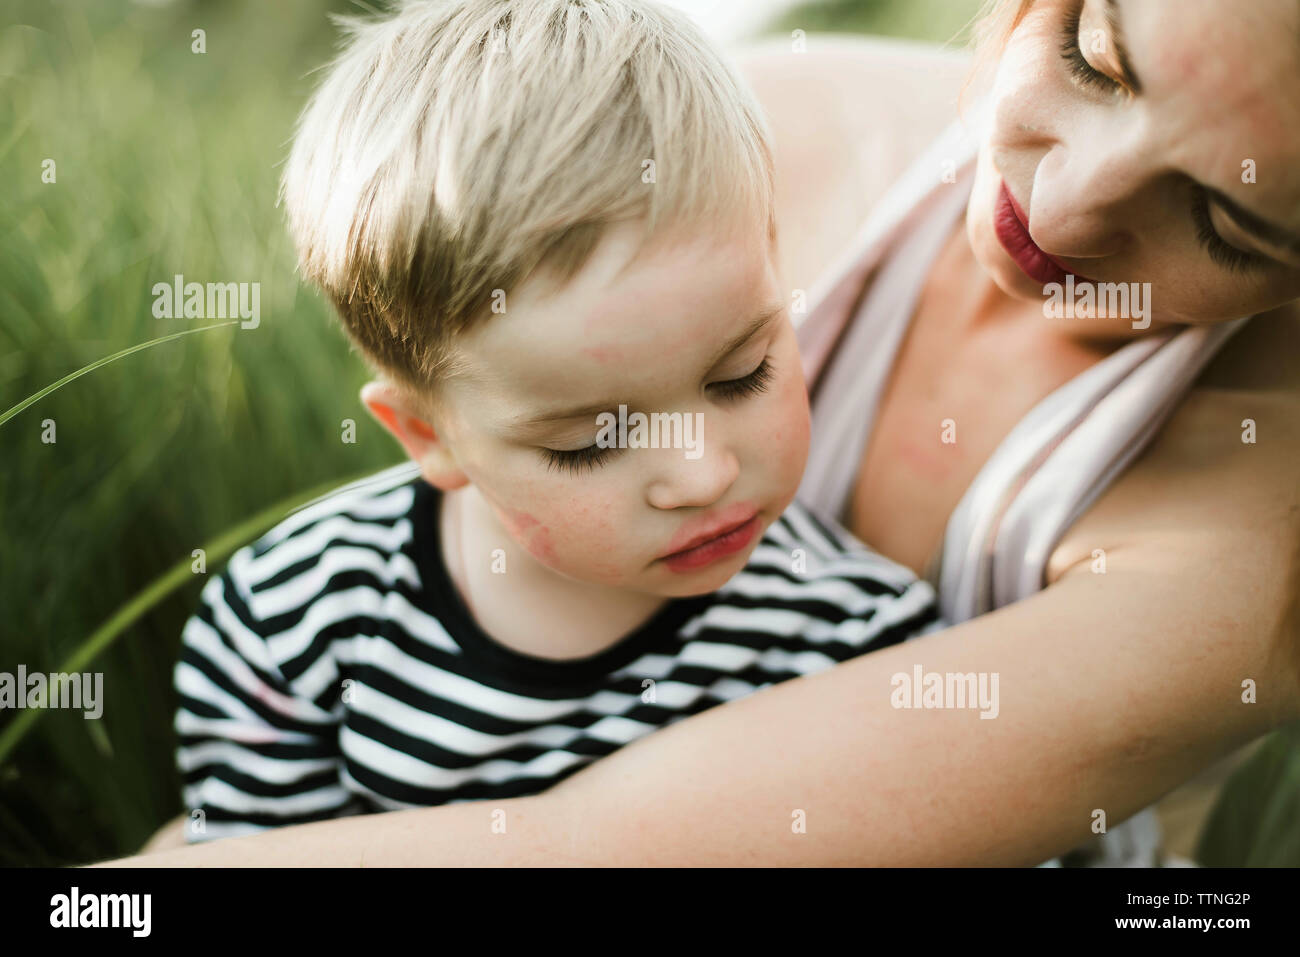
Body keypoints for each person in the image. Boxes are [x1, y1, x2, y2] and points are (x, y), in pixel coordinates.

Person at [119, 0, 1300, 866]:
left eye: (1228, 219)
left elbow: (597, 850)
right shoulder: (733, 134)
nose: (1057, 206)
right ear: (421, 435)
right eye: (1093, 60)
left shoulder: (1240, 541)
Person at [158, 0, 942, 847]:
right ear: (430, 436)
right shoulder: (295, 626)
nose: (704, 473)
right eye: (589, 442)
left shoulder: (859, 639)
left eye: (741, 374)